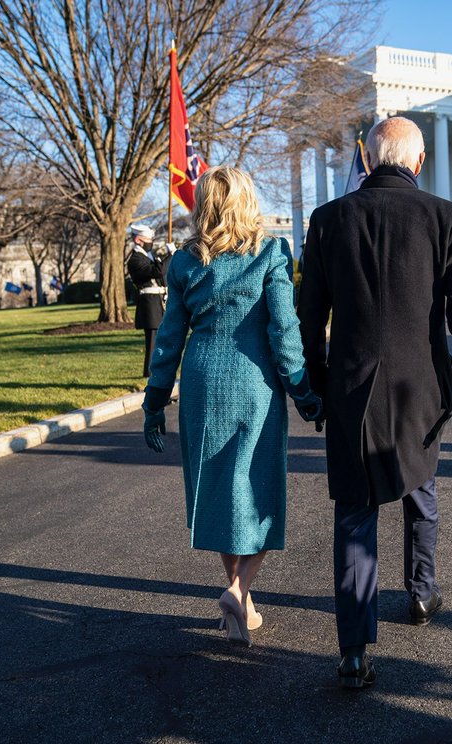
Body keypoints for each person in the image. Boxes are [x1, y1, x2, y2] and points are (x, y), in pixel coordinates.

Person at [298, 116, 452, 690]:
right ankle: (422, 591)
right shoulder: (443, 216)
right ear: (418, 161)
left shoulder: (329, 219)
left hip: (351, 388)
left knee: (355, 516)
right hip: (421, 388)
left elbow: (310, 316)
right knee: (421, 493)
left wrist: (313, 385)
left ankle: (354, 650)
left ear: (367, 160)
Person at [141, 166, 323, 647]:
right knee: (260, 491)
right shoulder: (270, 252)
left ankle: (242, 604)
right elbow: (285, 332)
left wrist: (155, 403)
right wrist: (304, 393)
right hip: (254, 381)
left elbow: (168, 340)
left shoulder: (182, 261)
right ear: (247, 201)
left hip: (202, 379)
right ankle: (239, 590)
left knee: (219, 489)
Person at [126, 223, 166, 378]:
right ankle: (149, 373)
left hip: (158, 301)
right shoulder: (135, 259)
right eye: (147, 239)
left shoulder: (147, 256)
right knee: (152, 340)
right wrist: (170, 256)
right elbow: (157, 272)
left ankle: (158, 372)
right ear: (138, 240)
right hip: (149, 302)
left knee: (161, 339)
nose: (151, 242)